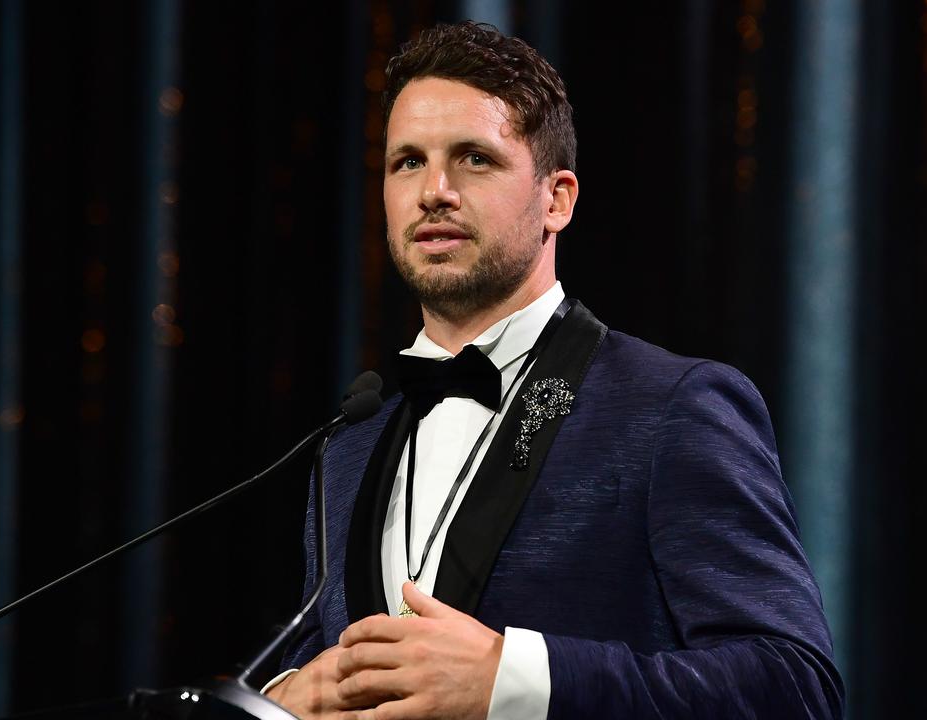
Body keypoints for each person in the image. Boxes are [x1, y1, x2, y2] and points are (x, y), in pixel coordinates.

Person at [265, 21, 843, 720]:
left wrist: (513, 680)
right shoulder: (346, 446)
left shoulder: (674, 407)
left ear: (557, 199)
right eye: (407, 162)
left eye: (474, 158)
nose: (434, 191)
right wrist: (278, 702)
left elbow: (795, 687)